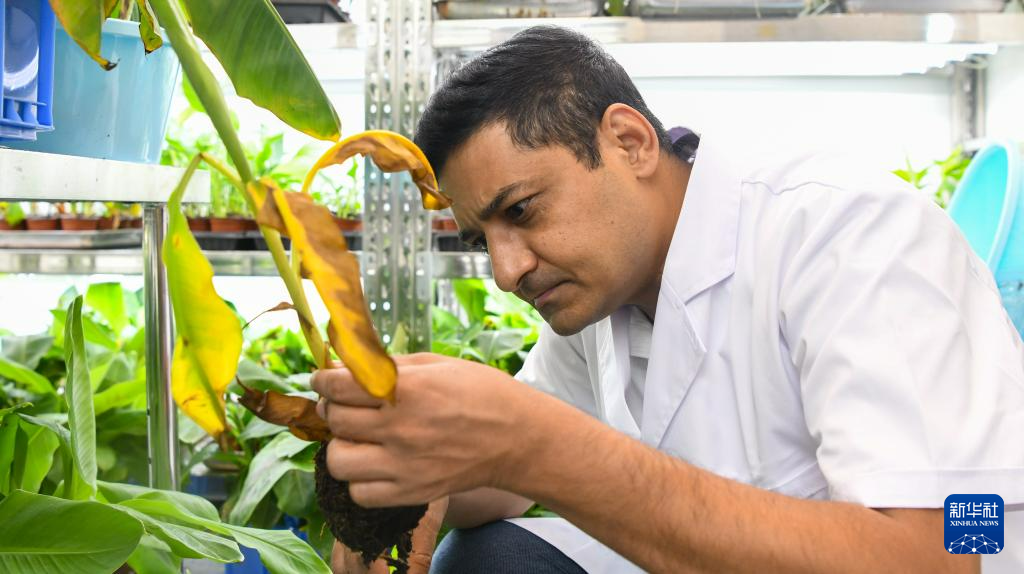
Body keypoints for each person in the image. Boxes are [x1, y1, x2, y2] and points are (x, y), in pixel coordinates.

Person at [313, 26, 1024, 573]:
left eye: (522, 210)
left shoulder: (848, 233)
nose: (506, 270)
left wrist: (536, 444)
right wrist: (424, 477)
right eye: (481, 240)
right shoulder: (599, 297)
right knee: (488, 557)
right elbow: (503, 486)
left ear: (630, 142)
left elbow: (935, 558)